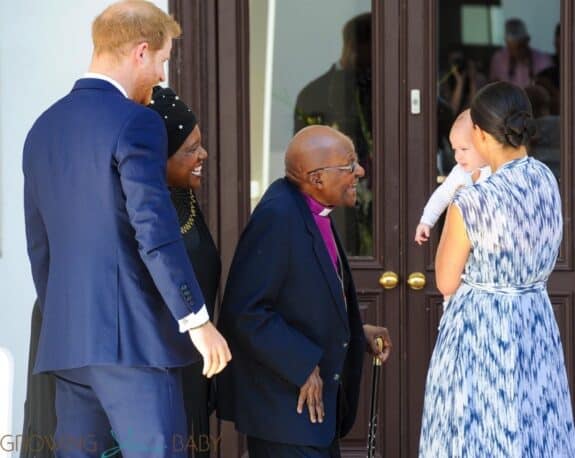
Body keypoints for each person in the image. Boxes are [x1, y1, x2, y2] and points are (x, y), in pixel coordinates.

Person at [22, 2, 230, 457]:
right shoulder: (138, 122)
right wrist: (197, 320)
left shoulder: (42, 128)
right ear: (140, 52)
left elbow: (40, 248)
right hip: (134, 346)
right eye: (162, 60)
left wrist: (68, 316)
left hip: (70, 344)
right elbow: (154, 230)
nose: (160, 75)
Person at [419, 81, 575, 456]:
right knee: (534, 426)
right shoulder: (545, 180)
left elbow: (445, 279)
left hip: (481, 329)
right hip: (534, 322)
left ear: (479, 132)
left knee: (476, 434)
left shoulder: (472, 199)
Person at [216, 125, 392, 458]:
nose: (360, 171)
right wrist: (301, 364)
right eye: (349, 165)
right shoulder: (277, 217)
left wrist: (357, 332)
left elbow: (302, 297)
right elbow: (246, 313)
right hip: (286, 417)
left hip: (313, 420)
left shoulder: (312, 209)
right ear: (317, 178)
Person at [149, 86, 221, 458]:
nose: (203, 155)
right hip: (161, 374)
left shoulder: (185, 196)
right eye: (190, 149)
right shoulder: (143, 210)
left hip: (195, 367)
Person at [294, 12, 373, 255]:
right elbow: (302, 165)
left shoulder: (381, 87)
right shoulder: (315, 94)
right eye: (374, 49)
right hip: (335, 212)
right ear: (354, 46)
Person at [414, 109, 490, 245]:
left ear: (485, 142)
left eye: (464, 149)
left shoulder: (499, 169)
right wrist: (426, 221)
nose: (457, 156)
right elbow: (442, 195)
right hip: (467, 243)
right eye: (455, 149)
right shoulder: (460, 172)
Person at [489, 18, 552, 88]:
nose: (517, 52)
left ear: (527, 40)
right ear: (506, 43)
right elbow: (493, 87)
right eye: (512, 48)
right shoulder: (498, 59)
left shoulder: (543, 60)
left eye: (520, 47)